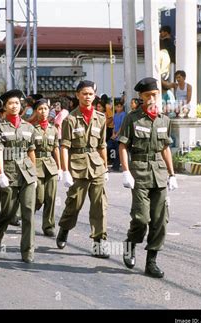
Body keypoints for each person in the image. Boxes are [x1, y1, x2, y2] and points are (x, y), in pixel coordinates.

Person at [118, 77, 178, 278]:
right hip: (139, 173)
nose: (152, 98)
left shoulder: (164, 119)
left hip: (160, 174)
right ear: (141, 97)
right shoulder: (132, 118)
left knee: (160, 220)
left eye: (154, 94)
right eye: (147, 95)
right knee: (141, 218)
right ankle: (130, 243)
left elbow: (165, 148)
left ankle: (151, 261)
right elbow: (123, 146)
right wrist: (126, 171)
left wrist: (172, 174)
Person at [56, 80, 110, 258]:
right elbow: (64, 147)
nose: (88, 97)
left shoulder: (100, 118)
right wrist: (65, 171)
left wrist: (106, 167)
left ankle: (98, 243)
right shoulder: (70, 119)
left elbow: (102, 145)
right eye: (84, 93)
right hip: (77, 166)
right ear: (78, 95)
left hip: (97, 165)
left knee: (99, 205)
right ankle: (64, 228)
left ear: (95, 96)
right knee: (74, 204)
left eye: (91, 94)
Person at [0, 89, 37, 263]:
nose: (14, 106)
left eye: (17, 103)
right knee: (8, 212)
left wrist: (35, 175)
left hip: (27, 173)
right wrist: (1, 173)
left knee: (28, 212)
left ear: (21, 106)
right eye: (10, 103)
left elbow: (31, 152)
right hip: (8, 171)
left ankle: (27, 251)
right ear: (5, 107)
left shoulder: (28, 127)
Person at [32, 98, 62, 237]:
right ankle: (27, 216)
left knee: (51, 197)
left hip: (51, 165)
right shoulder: (32, 129)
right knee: (39, 197)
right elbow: (29, 151)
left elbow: (56, 148)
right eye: (40, 109)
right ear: (36, 111)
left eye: (45, 109)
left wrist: (61, 168)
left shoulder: (53, 129)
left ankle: (48, 225)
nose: (43, 112)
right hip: (36, 164)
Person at [108, 100, 126, 172]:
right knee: (114, 150)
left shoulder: (123, 114)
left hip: (120, 135)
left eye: (120, 106)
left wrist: (116, 135)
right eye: (117, 106)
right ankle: (115, 166)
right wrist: (113, 134)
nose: (119, 108)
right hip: (115, 135)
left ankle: (116, 167)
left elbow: (122, 126)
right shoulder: (115, 115)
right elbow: (114, 125)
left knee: (119, 152)